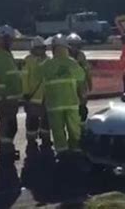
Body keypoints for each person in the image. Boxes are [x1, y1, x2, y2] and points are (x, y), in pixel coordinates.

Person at [40, 34, 86, 165]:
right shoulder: (72, 63)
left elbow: (40, 81)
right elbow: (81, 78)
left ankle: (62, 152)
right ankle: (75, 150)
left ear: (53, 48)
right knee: (74, 128)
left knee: (58, 129)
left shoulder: (47, 64)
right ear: (66, 48)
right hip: (71, 102)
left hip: (54, 104)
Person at [0, 25, 22, 166]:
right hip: (6, 99)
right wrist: (6, 96)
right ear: (4, 39)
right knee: (8, 126)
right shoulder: (1, 56)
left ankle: (7, 149)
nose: (12, 42)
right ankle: (6, 151)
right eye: (10, 40)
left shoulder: (5, 54)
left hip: (10, 97)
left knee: (9, 126)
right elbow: (4, 79)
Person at [22, 36, 51, 156]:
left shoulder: (48, 61)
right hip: (32, 97)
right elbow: (24, 78)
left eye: (42, 48)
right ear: (33, 49)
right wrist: (25, 94)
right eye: (38, 48)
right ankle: (31, 140)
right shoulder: (28, 61)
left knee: (46, 120)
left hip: (46, 97)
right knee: (32, 120)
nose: (41, 50)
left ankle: (46, 138)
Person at [66, 33, 92, 122]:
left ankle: (82, 126)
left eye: (76, 45)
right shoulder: (64, 57)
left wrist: (90, 83)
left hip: (81, 86)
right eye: (72, 45)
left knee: (82, 109)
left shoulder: (81, 55)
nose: (74, 48)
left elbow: (87, 70)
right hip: (68, 87)